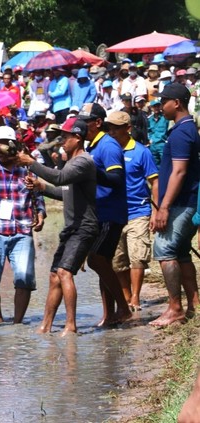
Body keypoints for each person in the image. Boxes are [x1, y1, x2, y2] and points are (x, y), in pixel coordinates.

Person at [15, 117, 99, 336]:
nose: (62, 141)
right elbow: (65, 192)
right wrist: (42, 187)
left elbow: (60, 178)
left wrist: (30, 163)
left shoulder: (83, 162)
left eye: (66, 137)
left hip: (84, 227)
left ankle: (71, 325)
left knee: (64, 272)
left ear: (77, 138)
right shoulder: (72, 162)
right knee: (54, 275)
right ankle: (46, 325)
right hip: (72, 227)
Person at [0, 126, 46, 324]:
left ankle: (17, 322)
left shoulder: (26, 169)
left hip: (22, 231)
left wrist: (40, 212)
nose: (3, 149)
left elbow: (37, 193)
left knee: (24, 278)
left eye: (7, 145)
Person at [151, 83, 200, 327]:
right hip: (186, 202)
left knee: (164, 249)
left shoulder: (181, 132)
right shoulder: (186, 129)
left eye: (164, 102)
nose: (161, 106)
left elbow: (178, 172)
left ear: (176, 103)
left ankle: (175, 308)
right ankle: (194, 305)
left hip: (181, 203)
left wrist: (164, 207)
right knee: (181, 253)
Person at [79, 102, 132, 327]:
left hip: (111, 212)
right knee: (103, 264)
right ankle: (108, 314)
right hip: (98, 213)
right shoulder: (92, 146)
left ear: (98, 123)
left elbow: (117, 179)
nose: (81, 125)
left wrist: (92, 171)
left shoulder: (108, 146)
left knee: (96, 260)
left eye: (86, 121)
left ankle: (124, 307)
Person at [105, 111, 159, 312]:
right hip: (114, 214)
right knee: (117, 261)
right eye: (109, 128)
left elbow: (154, 181)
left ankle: (135, 297)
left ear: (128, 129)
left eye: (116, 128)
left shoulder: (141, 152)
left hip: (138, 210)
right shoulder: (107, 151)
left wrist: (156, 211)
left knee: (137, 256)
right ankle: (126, 297)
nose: (112, 132)